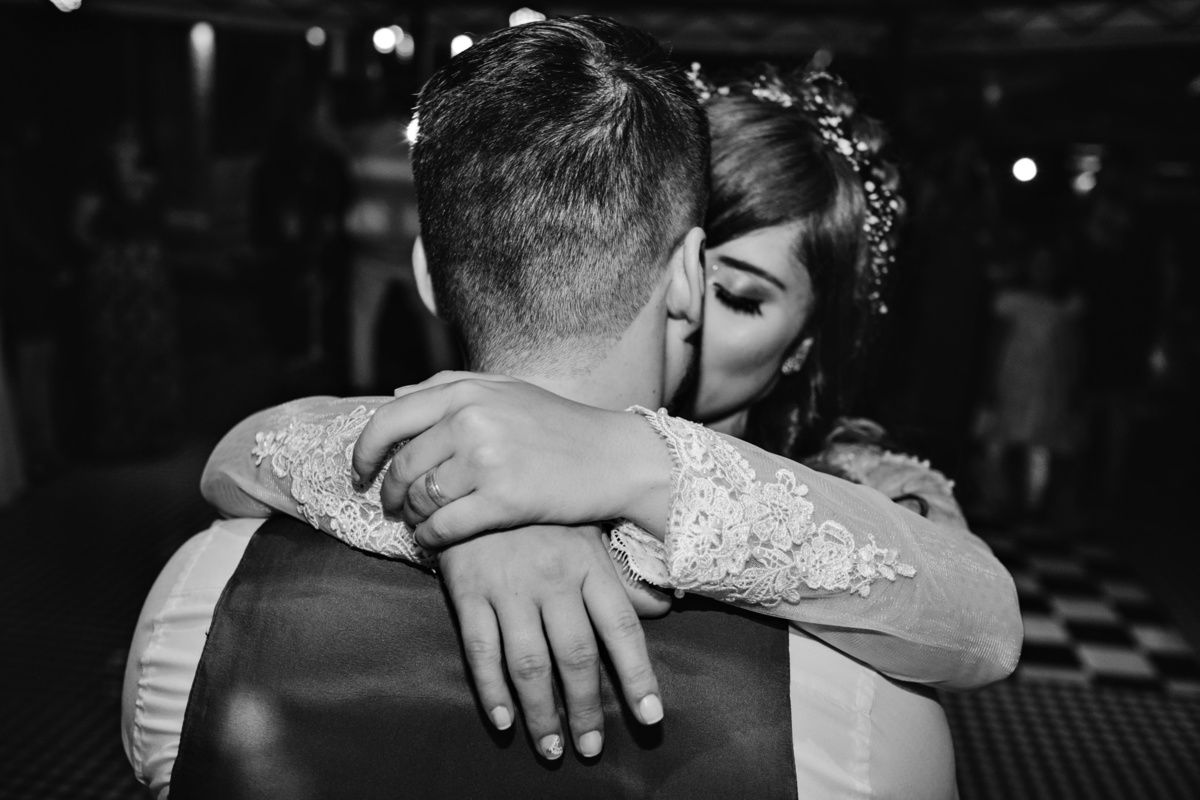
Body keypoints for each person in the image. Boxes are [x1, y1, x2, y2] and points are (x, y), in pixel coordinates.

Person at [126, 25, 1020, 798]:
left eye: (743, 298)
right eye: (694, 278)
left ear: (806, 342)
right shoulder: (859, 729)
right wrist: (488, 505)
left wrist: (629, 461)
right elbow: (242, 453)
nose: (700, 317)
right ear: (667, 265)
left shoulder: (869, 485)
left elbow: (983, 618)